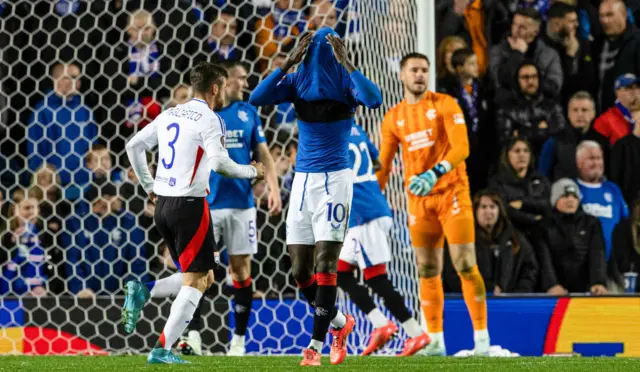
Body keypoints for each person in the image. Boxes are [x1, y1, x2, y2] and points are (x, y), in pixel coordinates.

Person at [249, 28, 382, 366]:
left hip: (335, 182)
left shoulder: (347, 84)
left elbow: (375, 98)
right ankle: (340, 324)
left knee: (326, 264)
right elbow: (257, 98)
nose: (320, 54)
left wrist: (347, 63)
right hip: (303, 183)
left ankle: (315, 345)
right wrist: (287, 63)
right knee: (300, 271)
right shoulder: (296, 83)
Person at [123, 62, 264, 364]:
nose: (225, 92)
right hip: (190, 206)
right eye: (224, 87)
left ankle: (143, 291)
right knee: (197, 281)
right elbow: (219, 164)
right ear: (215, 88)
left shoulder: (170, 113)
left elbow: (133, 145)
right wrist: (253, 170)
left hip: (163, 206)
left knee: (204, 275)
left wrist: (150, 184)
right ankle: (162, 348)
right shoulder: (210, 119)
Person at [376, 52, 489, 357]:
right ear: (402, 75)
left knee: (465, 264)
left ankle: (482, 341)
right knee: (427, 269)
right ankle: (435, 340)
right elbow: (383, 166)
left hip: (453, 193)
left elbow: (461, 147)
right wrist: (371, 200)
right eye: (414, 70)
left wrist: (436, 171)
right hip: (419, 202)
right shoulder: (393, 117)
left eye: (425, 70)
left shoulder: (445, 104)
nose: (420, 75)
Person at [181, 59, 282, 357]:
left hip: (241, 206)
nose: (244, 83)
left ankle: (237, 341)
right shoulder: (201, 114)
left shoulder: (248, 112)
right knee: (199, 272)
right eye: (239, 78)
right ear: (221, 83)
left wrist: (274, 188)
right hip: (206, 204)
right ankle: (194, 336)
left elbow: (263, 153)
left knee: (240, 272)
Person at [337, 123, 429, 356]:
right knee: (340, 272)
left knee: (376, 278)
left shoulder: (329, 133)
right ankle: (380, 324)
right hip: (370, 209)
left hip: (364, 215)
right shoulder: (356, 128)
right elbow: (377, 162)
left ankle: (416, 332)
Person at [443, 190, 539, 294]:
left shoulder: (515, 238)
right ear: (475, 211)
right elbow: (452, 274)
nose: (488, 211)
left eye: (492, 207)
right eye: (483, 207)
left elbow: (530, 268)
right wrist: (486, 289)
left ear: (499, 211)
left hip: (510, 302)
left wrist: (518, 293)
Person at [535, 178, 608, 295]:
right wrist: (551, 285)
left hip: (585, 291)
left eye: (574, 196)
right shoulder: (543, 226)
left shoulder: (591, 223)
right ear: (555, 200)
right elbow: (543, 259)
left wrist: (598, 282)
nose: (570, 200)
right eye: (565, 196)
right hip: (554, 293)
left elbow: (597, 254)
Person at [575, 140, 628, 261]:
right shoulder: (572, 188)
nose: (596, 163)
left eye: (599, 158)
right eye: (591, 158)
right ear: (579, 162)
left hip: (613, 265)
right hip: (581, 266)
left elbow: (625, 222)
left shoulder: (613, 189)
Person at [538, 91, 608, 182]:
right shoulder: (554, 141)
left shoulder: (603, 142)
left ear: (593, 113)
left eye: (584, 110)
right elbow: (542, 176)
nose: (579, 114)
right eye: (575, 110)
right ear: (568, 114)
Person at [489, 138, 551, 236]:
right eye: (517, 151)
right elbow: (505, 210)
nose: (522, 155)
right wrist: (533, 219)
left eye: (526, 151)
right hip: (512, 233)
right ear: (507, 155)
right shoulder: (498, 182)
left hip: (541, 233)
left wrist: (523, 203)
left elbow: (548, 204)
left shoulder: (540, 179)